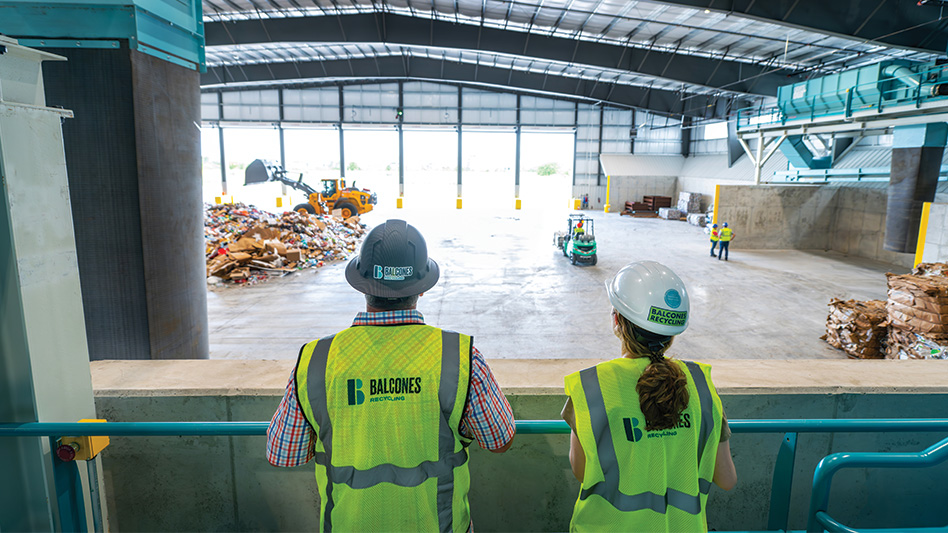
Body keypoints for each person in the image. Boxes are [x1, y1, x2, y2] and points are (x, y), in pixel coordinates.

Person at [266, 219, 515, 532]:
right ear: (422, 289)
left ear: (362, 285)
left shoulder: (316, 360)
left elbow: (283, 453)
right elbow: (500, 440)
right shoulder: (458, 357)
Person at [562, 261, 737, 532]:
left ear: (617, 320)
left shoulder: (592, 387)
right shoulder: (702, 386)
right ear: (672, 333)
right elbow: (726, 479)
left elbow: (582, 472)